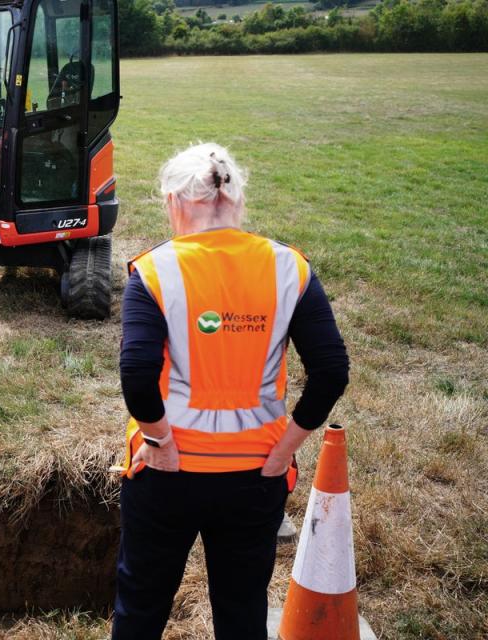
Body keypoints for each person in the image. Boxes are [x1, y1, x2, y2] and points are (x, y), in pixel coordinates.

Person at [113, 143, 349, 640]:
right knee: (242, 610)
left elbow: (136, 375)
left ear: (175, 201)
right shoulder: (291, 268)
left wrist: (160, 444)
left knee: (141, 605)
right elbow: (330, 371)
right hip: (256, 474)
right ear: (238, 200)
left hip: (166, 473)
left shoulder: (154, 271)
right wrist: (285, 450)